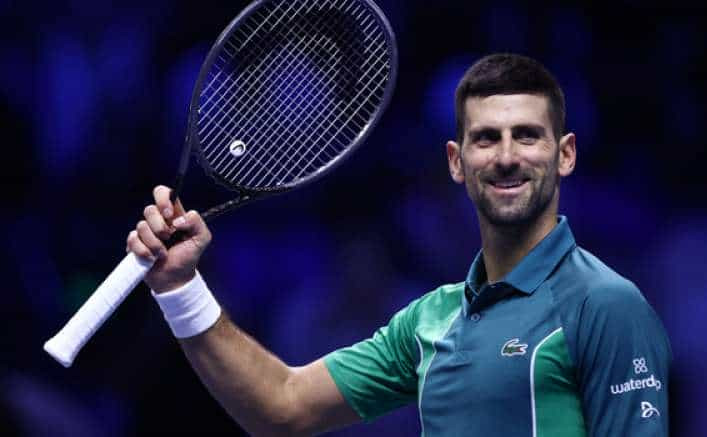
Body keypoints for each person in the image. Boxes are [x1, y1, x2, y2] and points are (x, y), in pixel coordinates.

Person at [127, 53, 671, 436]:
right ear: (457, 162)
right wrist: (180, 286)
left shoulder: (605, 306)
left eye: (527, 136)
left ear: (566, 154)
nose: (507, 157)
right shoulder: (429, 321)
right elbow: (282, 406)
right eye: (486, 139)